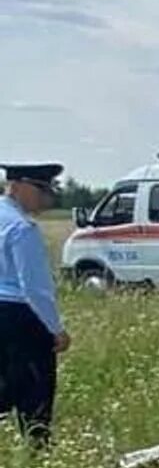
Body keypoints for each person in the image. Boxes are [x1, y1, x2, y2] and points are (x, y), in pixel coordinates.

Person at [0, 162, 70, 445]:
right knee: (35, 396)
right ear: (18, 187)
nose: (46, 198)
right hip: (20, 318)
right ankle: (37, 452)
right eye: (40, 190)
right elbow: (35, 289)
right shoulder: (22, 228)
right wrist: (56, 329)